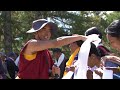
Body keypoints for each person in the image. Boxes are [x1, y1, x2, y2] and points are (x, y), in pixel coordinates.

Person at [16, 19, 87, 79]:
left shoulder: (46, 52)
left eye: (49, 30)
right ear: (36, 32)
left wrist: (53, 73)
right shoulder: (31, 44)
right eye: (44, 29)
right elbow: (56, 43)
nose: (47, 33)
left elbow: (48, 73)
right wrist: (80, 37)